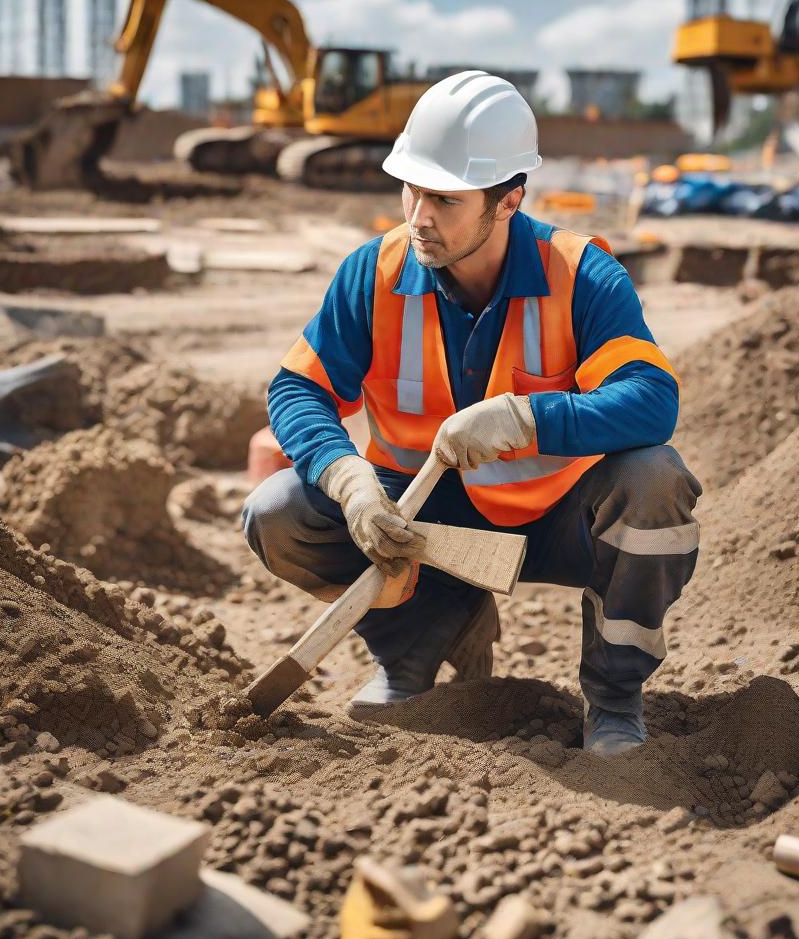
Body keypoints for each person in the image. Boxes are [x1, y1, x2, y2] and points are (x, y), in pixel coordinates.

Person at [242, 71, 701, 757]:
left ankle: (612, 700)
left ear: (509, 199)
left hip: (553, 522)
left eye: (445, 199)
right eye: (411, 189)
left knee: (655, 481)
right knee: (277, 512)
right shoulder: (374, 273)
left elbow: (652, 400)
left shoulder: (581, 274)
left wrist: (524, 419)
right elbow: (295, 390)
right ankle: (414, 652)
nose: (419, 215)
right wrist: (348, 482)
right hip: (415, 518)